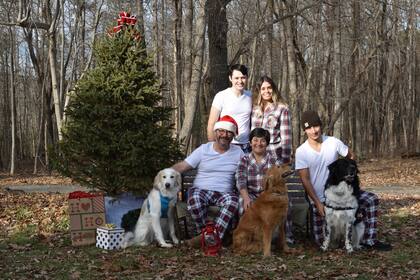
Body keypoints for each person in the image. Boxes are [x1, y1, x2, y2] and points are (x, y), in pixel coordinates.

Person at [295, 110, 392, 251]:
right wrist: (316, 203)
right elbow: (305, 180)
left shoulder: (333, 142)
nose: (313, 130)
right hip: (321, 199)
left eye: (316, 126)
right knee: (324, 243)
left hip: (344, 194)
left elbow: (351, 157)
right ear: (304, 131)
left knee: (371, 199)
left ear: (320, 126)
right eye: (309, 128)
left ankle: (369, 240)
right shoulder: (302, 151)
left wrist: (347, 175)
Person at [173, 115, 244, 247]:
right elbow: (183, 166)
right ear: (215, 132)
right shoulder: (204, 149)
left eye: (229, 132)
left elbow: (245, 173)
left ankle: (205, 239)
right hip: (201, 190)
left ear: (233, 135)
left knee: (233, 202)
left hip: (225, 193)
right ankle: (211, 237)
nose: (225, 135)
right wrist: (163, 174)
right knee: (194, 200)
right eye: (221, 131)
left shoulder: (238, 152)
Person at [235, 127, 294, 243]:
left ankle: (286, 238)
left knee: (288, 204)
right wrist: (246, 198)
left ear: (267, 143)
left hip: (269, 196)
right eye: (255, 140)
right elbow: (240, 180)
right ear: (250, 142)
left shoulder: (273, 160)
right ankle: (249, 239)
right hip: (250, 195)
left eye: (262, 141)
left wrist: (272, 196)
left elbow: (280, 178)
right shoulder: (244, 159)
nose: (259, 143)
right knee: (243, 204)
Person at [207, 64, 252, 153]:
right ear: (230, 78)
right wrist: (213, 148)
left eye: (243, 78)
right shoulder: (221, 96)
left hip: (246, 146)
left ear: (246, 78)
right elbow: (211, 124)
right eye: (236, 78)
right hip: (226, 145)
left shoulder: (251, 96)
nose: (240, 81)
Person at [251, 75, 292, 164]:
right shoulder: (254, 108)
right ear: (259, 91)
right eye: (263, 89)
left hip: (274, 156)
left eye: (269, 88)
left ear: (273, 89)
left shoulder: (282, 108)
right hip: (255, 157)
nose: (266, 91)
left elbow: (286, 139)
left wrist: (285, 162)